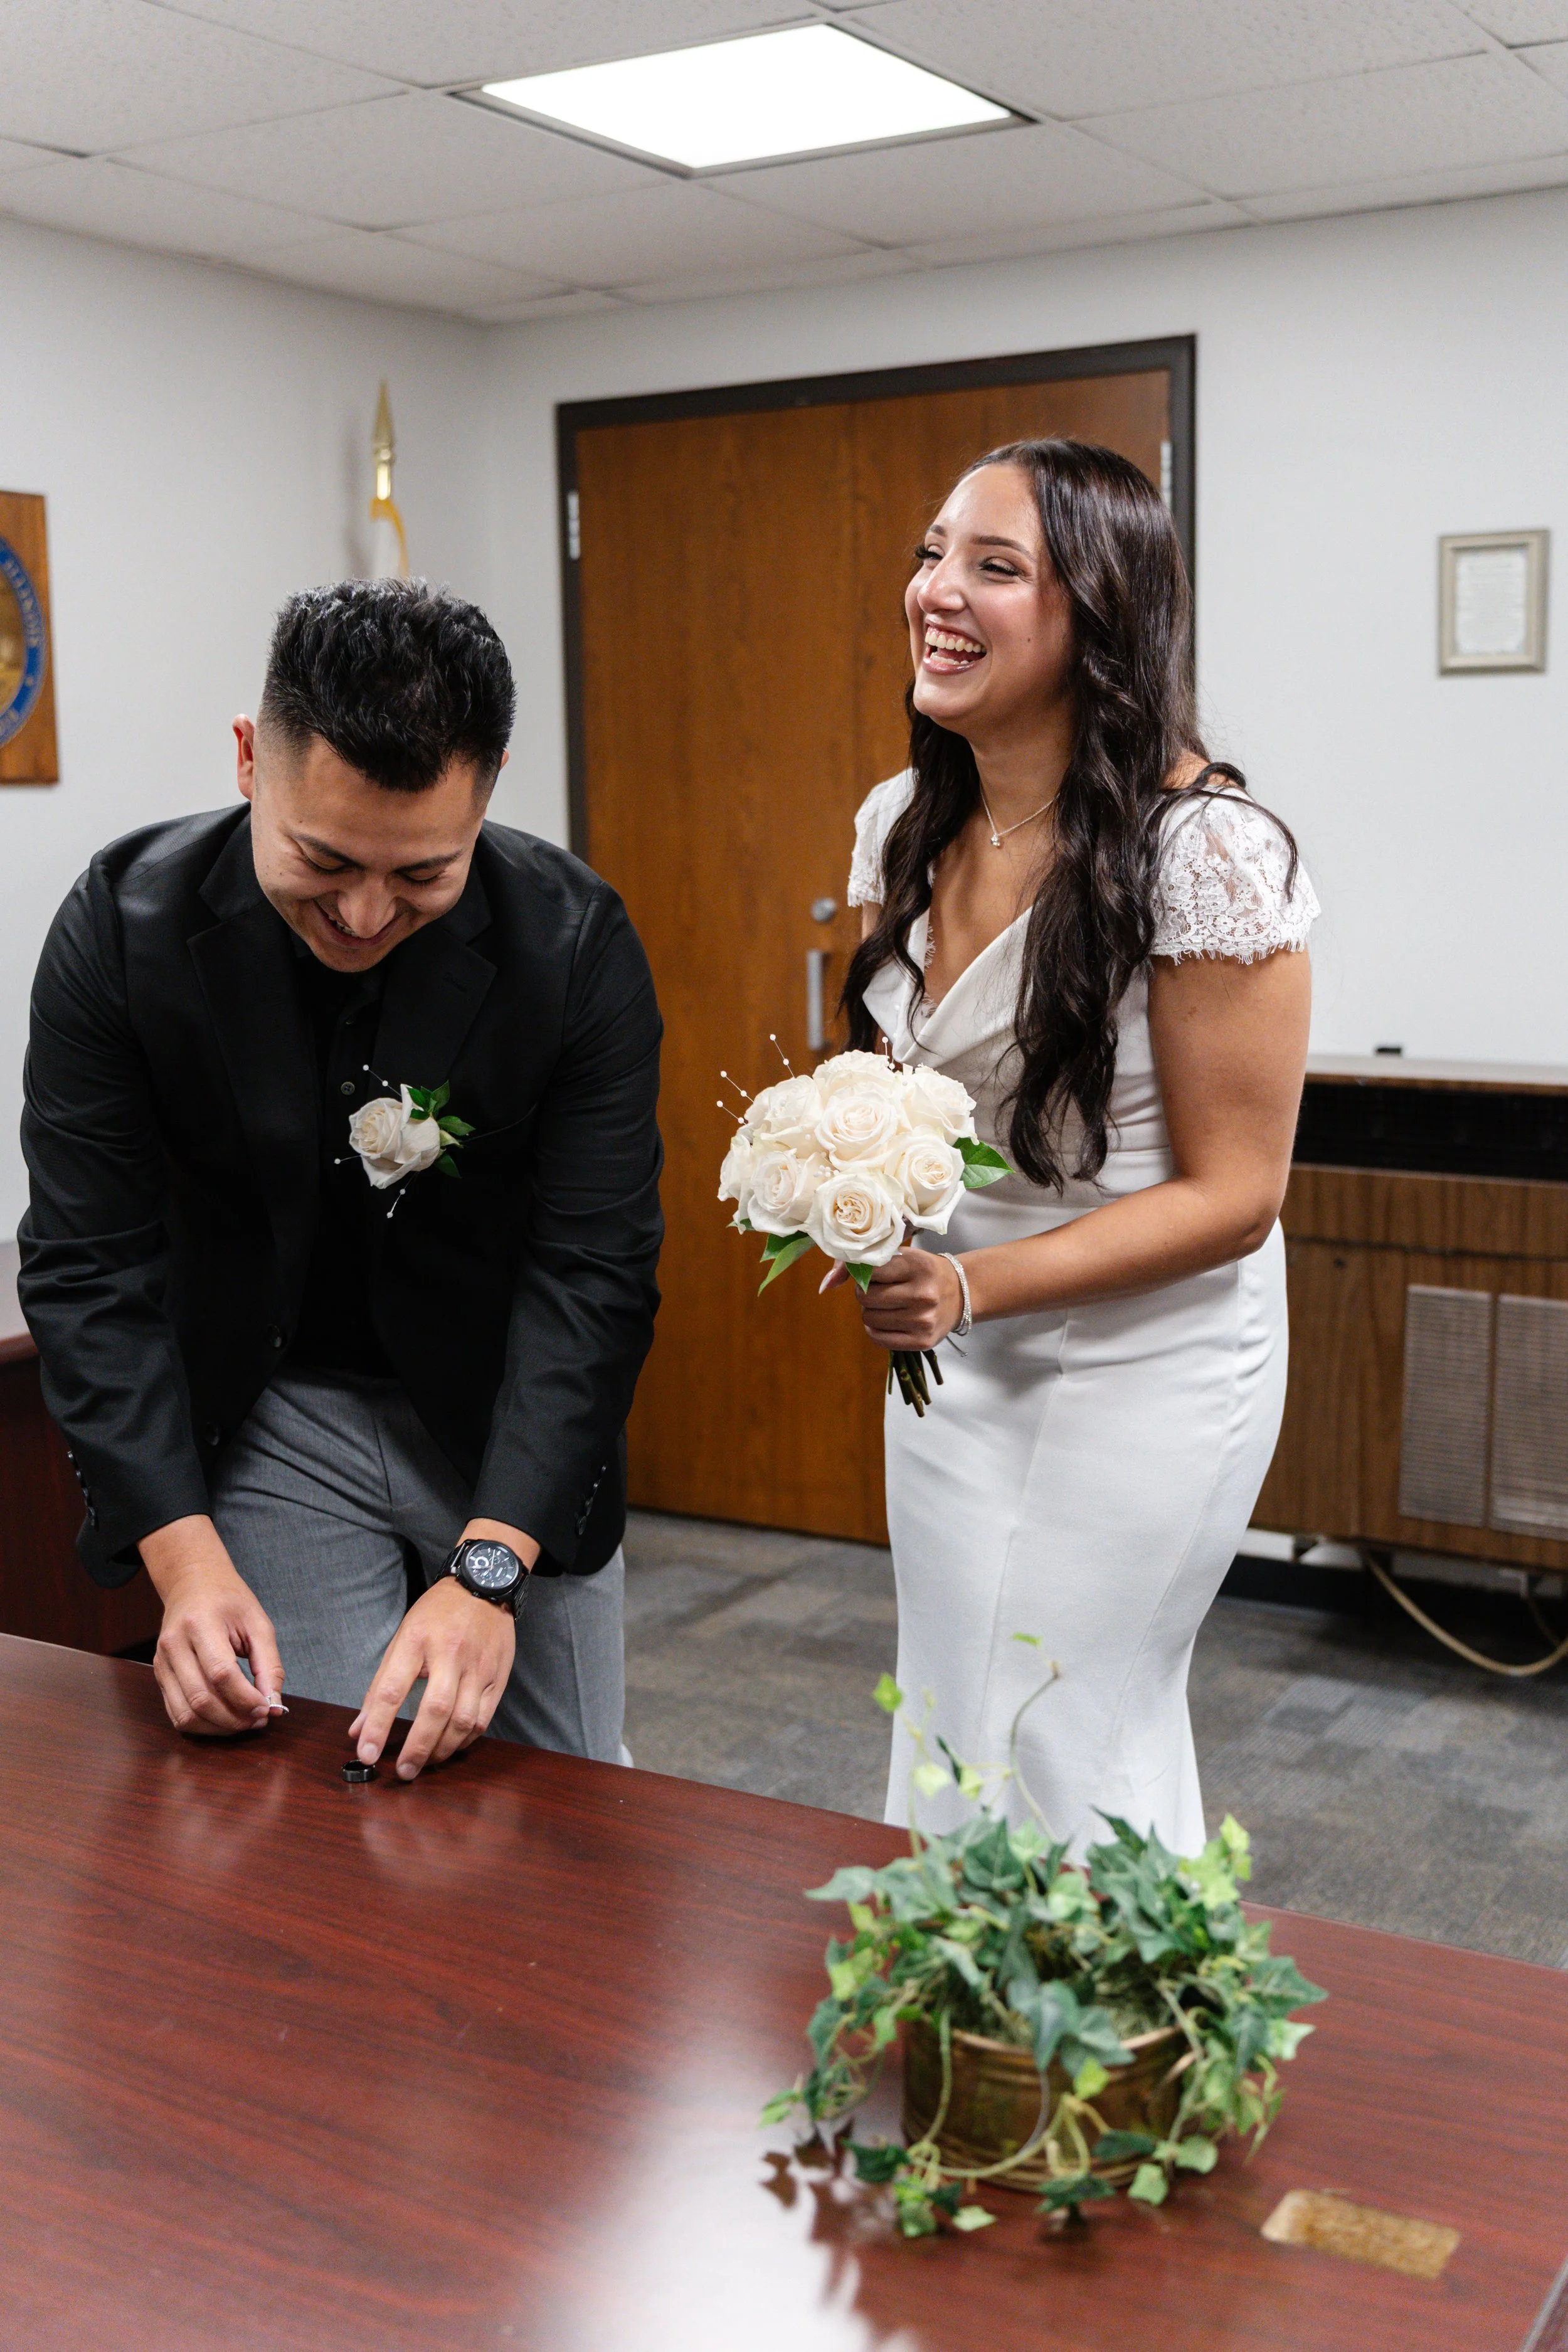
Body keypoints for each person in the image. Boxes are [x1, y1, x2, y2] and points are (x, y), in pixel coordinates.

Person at [19, 580, 662, 1778]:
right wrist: (183, 1557)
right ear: (252, 759)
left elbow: (594, 1273)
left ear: (489, 785)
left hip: (505, 1405)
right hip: (277, 1413)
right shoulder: (122, 928)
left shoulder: (575, 946)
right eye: (323, 860)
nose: (366, 914)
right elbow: (87, 1264)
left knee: (574, 1803)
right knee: (327, 1789)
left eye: (423, 874)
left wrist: (487, 1568)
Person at [836, 438, 1316, 1855]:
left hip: (1147, 1356)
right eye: (931, 554)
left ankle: (1114, 2052)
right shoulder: (900, 822)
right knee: (951, 1697)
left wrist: (978, 1287)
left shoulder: (1207, 853)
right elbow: (901, 1083)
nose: (937, 591)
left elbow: (1236, 1197)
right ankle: (965, 2025)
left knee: (1064, 1707)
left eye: (994, 567)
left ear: (1099, 615)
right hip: (952, 1357)